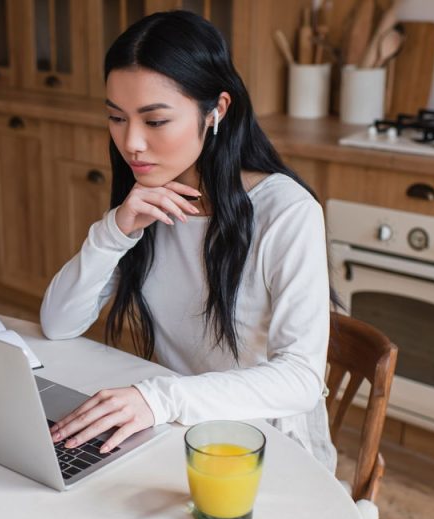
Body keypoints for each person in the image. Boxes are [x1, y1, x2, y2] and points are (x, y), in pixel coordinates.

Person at [40, 10, 336, 472]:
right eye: (116, 118)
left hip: (263, 447)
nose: (131, 143)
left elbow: (300, 378)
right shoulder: (150, 200)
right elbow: (59, 322)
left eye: (155, 121)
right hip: (171, 426)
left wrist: (158, 398)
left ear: (216, 109)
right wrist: (115, 230)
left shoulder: (287, 212)